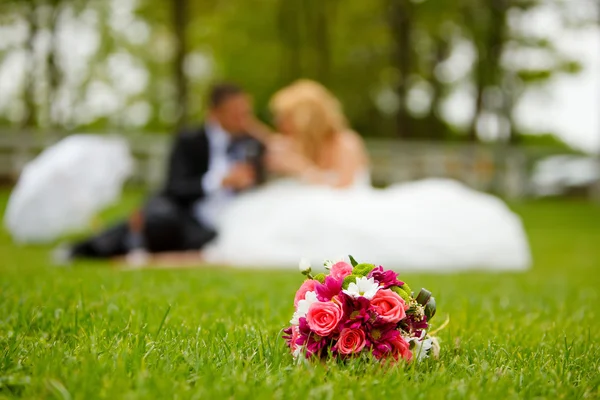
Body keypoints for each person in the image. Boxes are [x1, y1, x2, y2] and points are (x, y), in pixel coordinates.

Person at [202, 80, 532, 271]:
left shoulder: (346, 142)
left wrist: (302, 170)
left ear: (303, 118)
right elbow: (268, 140)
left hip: (354, 201)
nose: (280, 124)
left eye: (285, 117)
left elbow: (344, 188)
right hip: (320, 197)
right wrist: (245, 124)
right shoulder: (296, 142)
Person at [55, 83, 264, 264]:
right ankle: (85, 248)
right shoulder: (189, 140)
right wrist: (219, 181)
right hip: (184, 212)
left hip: (222, 222)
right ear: (215, 112)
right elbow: (175, 186)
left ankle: (127, 243)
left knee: (188, 237)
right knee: (157, 220)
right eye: (236, 112)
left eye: (246, 112)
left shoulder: (251, 144)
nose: (243, 119)